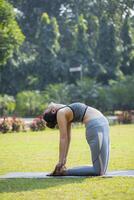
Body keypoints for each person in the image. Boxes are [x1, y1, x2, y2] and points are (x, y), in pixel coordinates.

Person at [43, 102, 110, 176]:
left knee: (102, 169)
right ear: (53, 111)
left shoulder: (65, 110)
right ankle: (63, 172)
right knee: (99, 171)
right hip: (96, 127)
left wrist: (63, 159)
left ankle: (62, 170)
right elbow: (64, 138)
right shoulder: (61, 113)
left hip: (102, 125)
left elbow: (68, 138)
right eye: (46, 109)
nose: (47, 106)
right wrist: (61, 161)